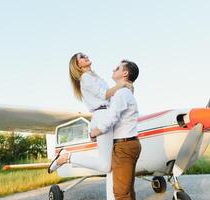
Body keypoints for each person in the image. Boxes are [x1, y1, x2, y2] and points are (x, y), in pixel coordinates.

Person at [48, 53, 132, 175]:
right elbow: (105, 94)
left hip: (105, 114)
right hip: (102, 116)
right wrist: (122, 85)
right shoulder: (86, 78)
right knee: (105, 166)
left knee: (108, 164)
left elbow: (109, 97)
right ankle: (66, 158)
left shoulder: (93, 76)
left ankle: (68, 158)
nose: (86, 57)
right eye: (82, 57)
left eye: (85, 55)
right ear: (77, 65)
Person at [90, 60, 141, 200]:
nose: (113, 69)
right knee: (127, 190)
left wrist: (95, 131)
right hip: (130, 143)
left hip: (123, 146)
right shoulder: (125, 92)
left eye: (117, 68)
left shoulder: (121, 93)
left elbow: (111, 118)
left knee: (120, 193)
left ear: (125, 73)